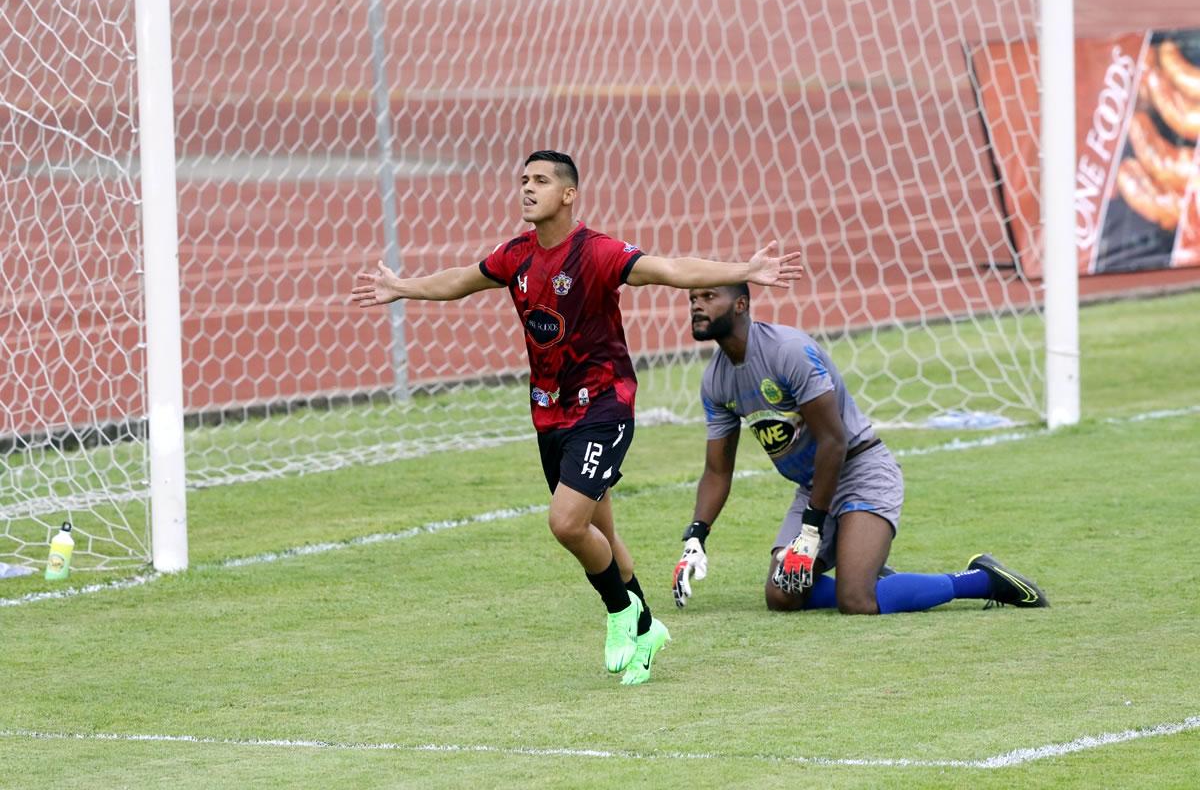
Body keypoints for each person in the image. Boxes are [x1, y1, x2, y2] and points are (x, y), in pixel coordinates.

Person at [352, 151, 803, 684]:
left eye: (540, 181)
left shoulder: (596, 252)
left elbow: (669, 270)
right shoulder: (515, 255)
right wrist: (404, 287)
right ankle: (648, 629)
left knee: (566, 524)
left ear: (568, 194)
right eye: (523, 180)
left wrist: (744, 271)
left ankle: (620, 614)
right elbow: (461, 280)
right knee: (602, 538)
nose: (527, 188)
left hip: (604, 406)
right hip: (549, 414)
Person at [671, 283, 1050, 614]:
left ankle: (981, 580)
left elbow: (833, 441)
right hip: (815, 486)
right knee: (782, 594)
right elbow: (717, 470)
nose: (696, 305)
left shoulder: (788, 351)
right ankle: (879, 578)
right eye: (692, 298)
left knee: (857, 600)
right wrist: (695, 537)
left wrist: (811, 530)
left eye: (708, 296)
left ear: (740, 305)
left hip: (861, 470)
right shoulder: (715, 381)